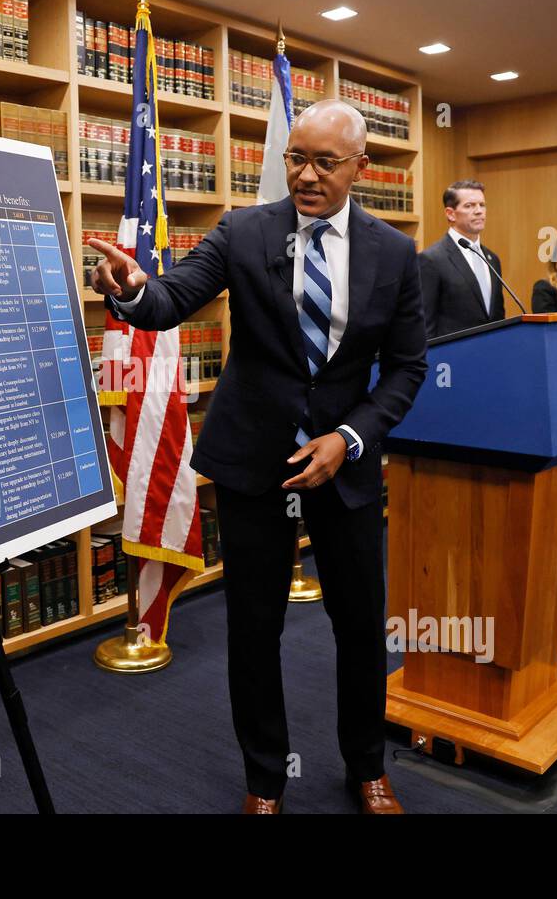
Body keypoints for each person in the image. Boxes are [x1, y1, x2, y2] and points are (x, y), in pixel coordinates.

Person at [88, 99, 427, 815]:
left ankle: (367, 765)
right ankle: (264, 782)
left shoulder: (395, 255)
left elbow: (405, 369)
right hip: (253, 468)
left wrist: (350, 438)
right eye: (295, 158)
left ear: (359, 168)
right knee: (255, 627)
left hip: (346, 471)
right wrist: (130, 292)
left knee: (361, 625)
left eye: (324, 163)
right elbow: (171, 298)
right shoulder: (245, 230)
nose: (305, 174)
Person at [418, 180, 506, 337]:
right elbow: (425, 323)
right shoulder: (431, 259)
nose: (479, 211)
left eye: (482, 205)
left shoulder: (493, 259)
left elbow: (497, 315)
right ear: (450, 214)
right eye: (469, 206)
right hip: (451, 357)